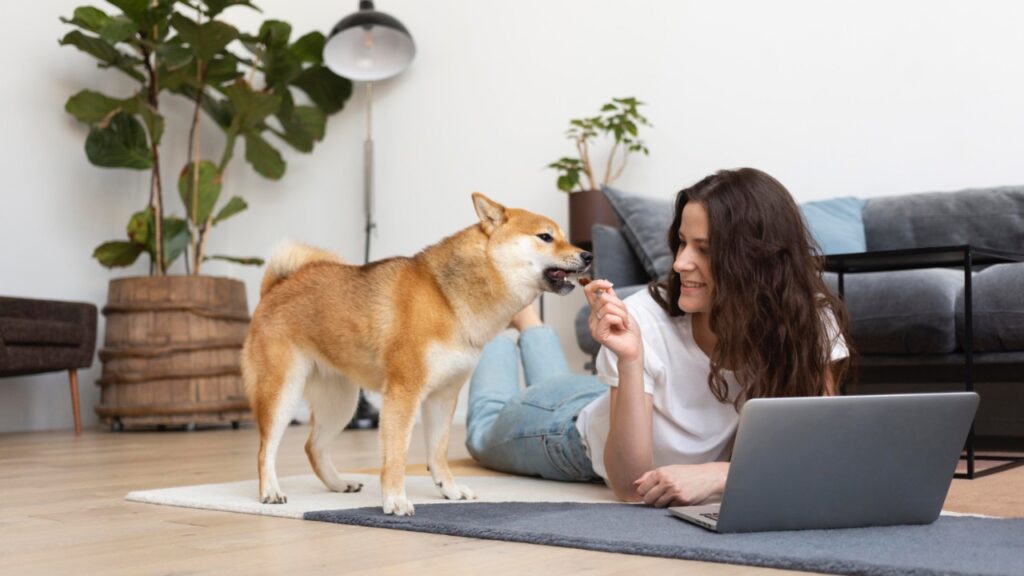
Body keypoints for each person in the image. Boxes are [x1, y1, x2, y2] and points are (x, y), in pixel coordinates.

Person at [465, 167, 852, 507]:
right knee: (483, 432)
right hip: (563, 431)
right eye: (682, 242)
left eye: (704, 249)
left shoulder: (810, 319)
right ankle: (495, 331)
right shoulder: (643, 321)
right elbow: (631, 488)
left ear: (757, 260)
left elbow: (818, 448)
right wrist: (630, 360)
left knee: (556, 383)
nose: (681, 263)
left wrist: (720, 475)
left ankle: (529, 323)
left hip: (603, 399)